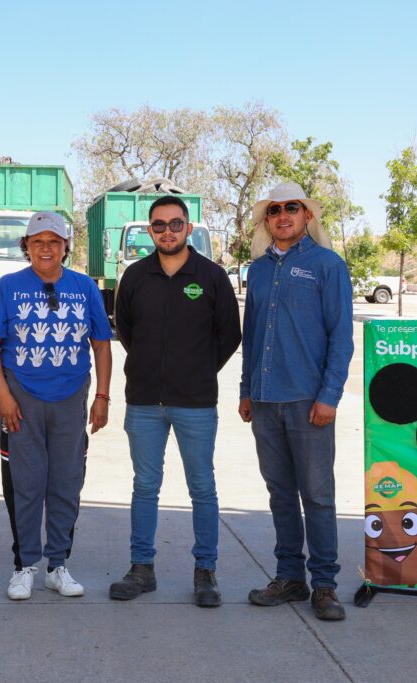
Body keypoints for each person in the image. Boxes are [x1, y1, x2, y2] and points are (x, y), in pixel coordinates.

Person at [109, 195, 241, 607]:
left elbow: (229, 335)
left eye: (176, 224)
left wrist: (197, 371)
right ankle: (141, 568)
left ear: (189, 227)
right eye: (159, 225)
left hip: (196, 403)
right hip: (144, 401)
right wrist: (152, 368)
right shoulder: (134, 277)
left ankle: (206, 573)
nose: (168, 231)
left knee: (202, 488)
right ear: (151, 231)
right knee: (145, 486)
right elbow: (126, 332)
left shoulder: (213, 276)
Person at [0, 211, 112, 600]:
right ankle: (24, 567)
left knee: (67, 483)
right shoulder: (8, 286)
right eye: (38, 241)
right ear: (27, 247)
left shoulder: (84, 287)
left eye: (54, 241)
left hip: (71, 397)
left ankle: (58, 565)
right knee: (26, 484)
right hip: (21, 398)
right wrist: (3, 397)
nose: (46, 248)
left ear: (67, 246)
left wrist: (102, 396)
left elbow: (101, 345)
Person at [238, 181, 354, 621]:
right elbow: (251, 337)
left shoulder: (327, 265)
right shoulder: (260, 270)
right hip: (266, 402)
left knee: (319, 496)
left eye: (292, 208)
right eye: (274, 210)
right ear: (266, 220)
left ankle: (325, 585)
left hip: (309, 402)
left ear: (307, 216)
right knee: (280, 494)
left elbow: (340, 338)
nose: (282, 215)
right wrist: (246, 391)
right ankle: (290, 578)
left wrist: (329, 397)